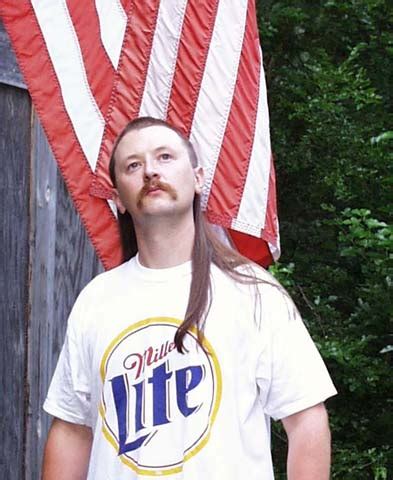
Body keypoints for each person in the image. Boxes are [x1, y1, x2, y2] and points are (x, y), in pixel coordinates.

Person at [42, 117, 337, 480]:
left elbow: (306, 418)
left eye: (165, 157)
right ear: (118, 199)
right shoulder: (96, 300)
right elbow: (72, 428)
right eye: (133, 165)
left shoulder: (254, 292)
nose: (150, 171)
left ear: (197, 178)